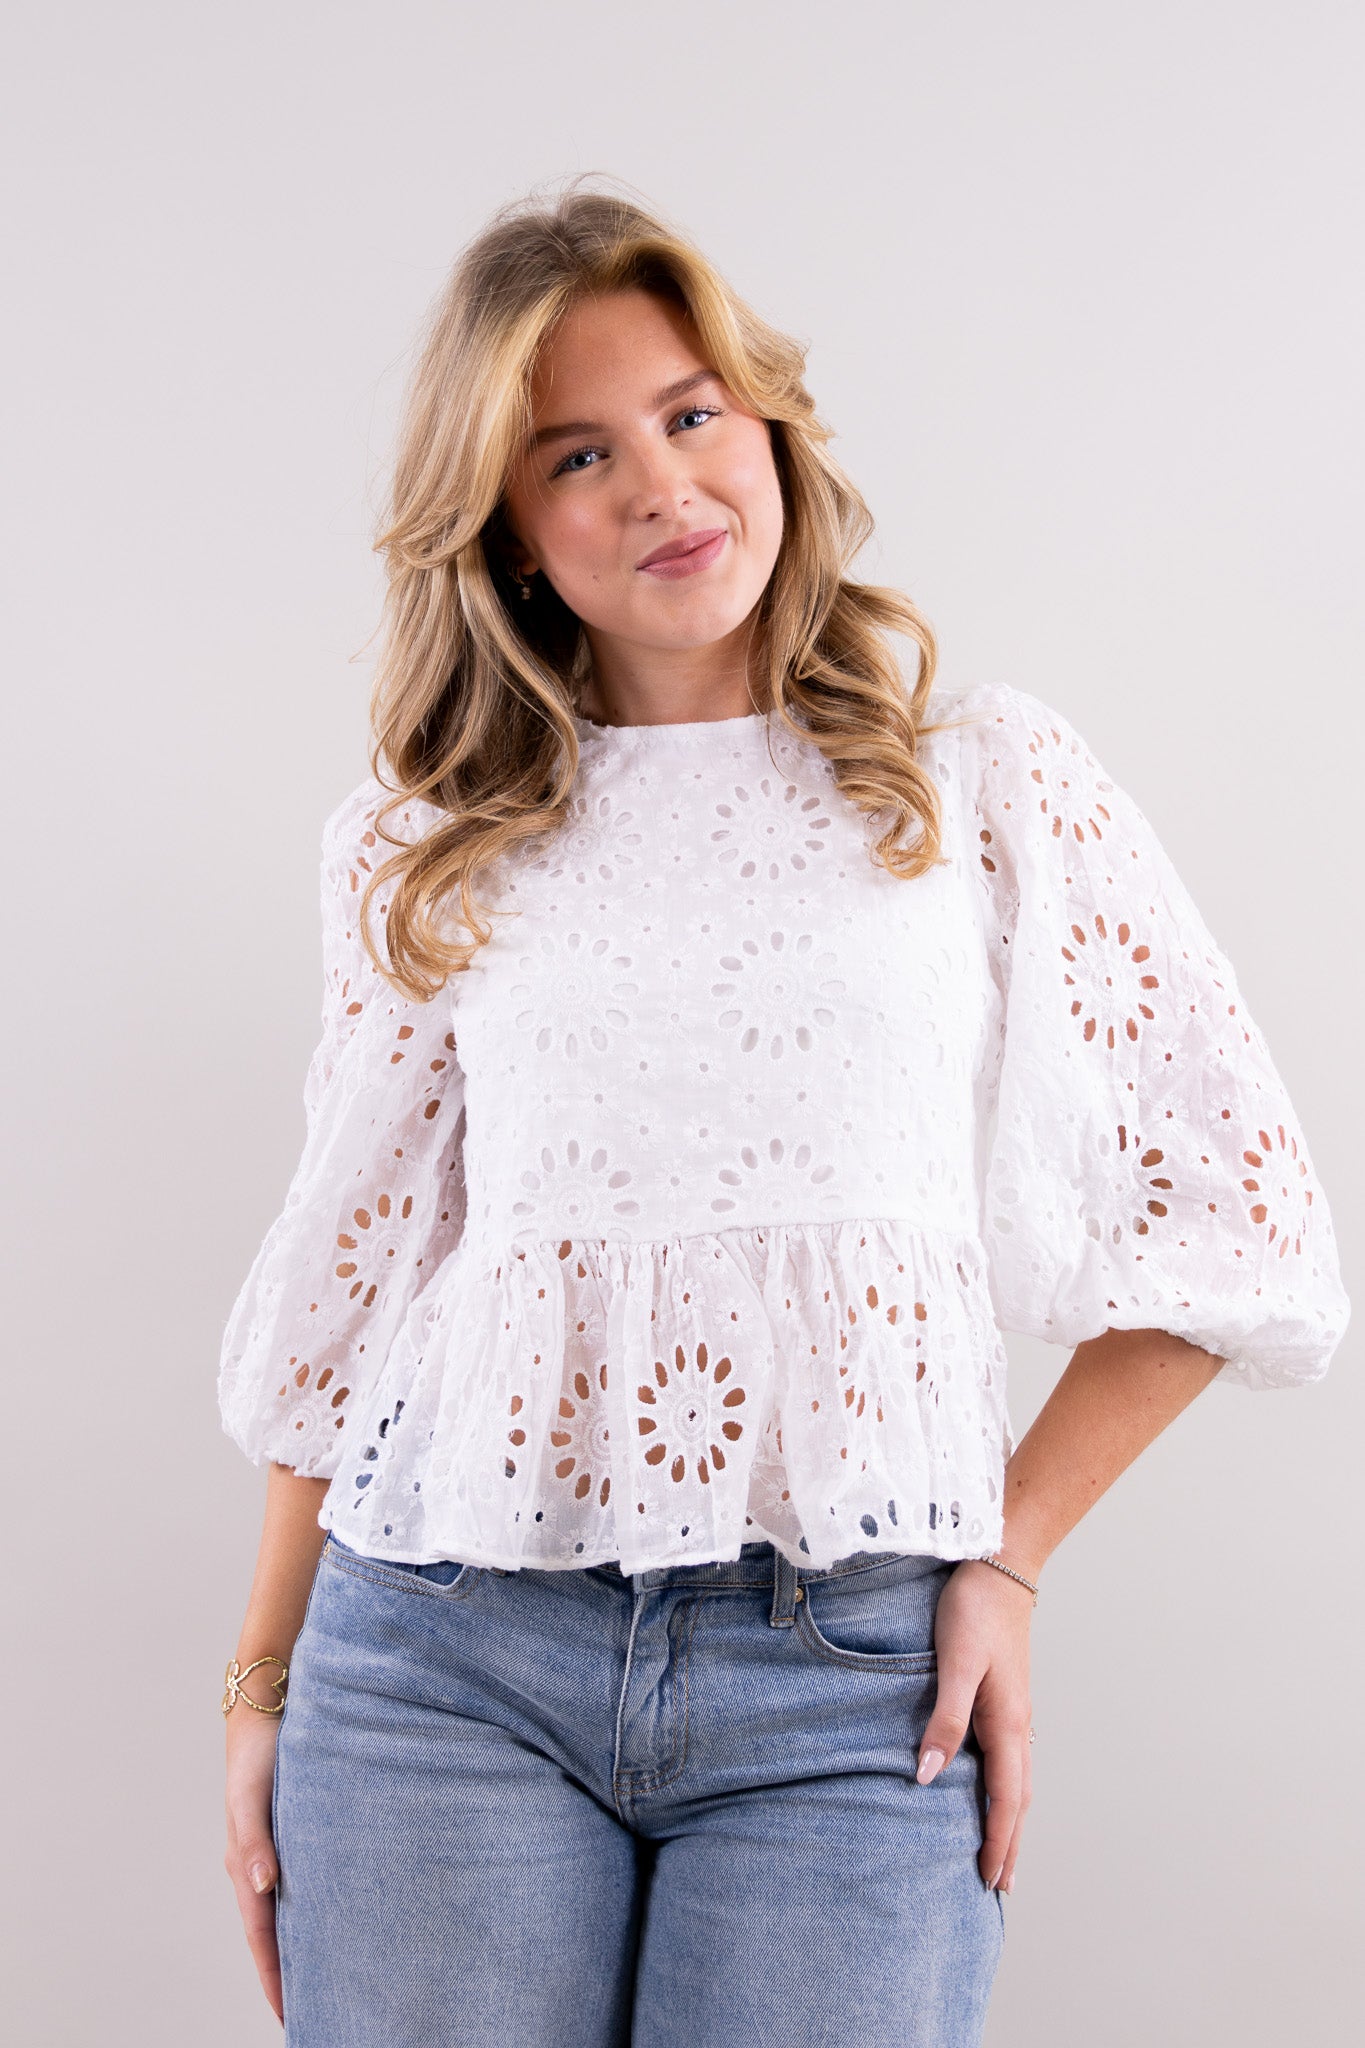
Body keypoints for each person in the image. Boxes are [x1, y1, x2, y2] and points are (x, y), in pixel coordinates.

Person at [218, 180, 1350, 2048]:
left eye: (690, 415)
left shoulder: (974, 784)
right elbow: (348, 1300)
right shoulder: (421, 848)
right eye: (578, 455)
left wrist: (1007, 1556)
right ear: (508, 533)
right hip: (441, 1661)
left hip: (852, 1683)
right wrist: (262, 1683)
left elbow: (1234, 1215)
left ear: (768, 430)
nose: (661, 486)